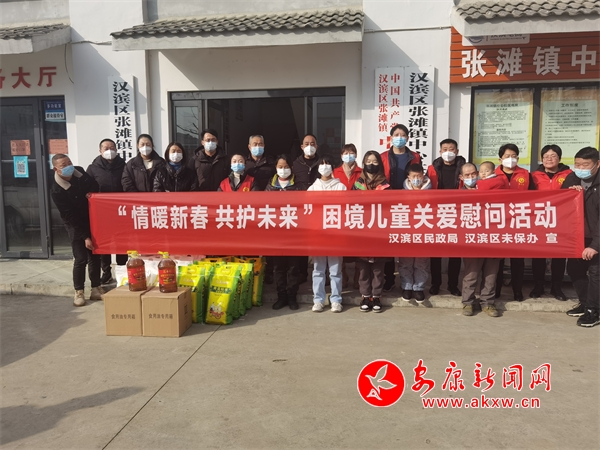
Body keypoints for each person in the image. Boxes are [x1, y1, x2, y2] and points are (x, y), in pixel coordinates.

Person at [50, 154, 102, 307]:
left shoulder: (79, 172)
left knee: (95, 255)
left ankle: (96, 288)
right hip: (74, 224)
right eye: (63, 165)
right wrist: (85, 237)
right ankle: (79, 291)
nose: (69, 167)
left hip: (91, 218)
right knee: (80, 258)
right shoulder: (56, 190)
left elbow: (94, 185)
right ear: (56, 169)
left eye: (69, 162)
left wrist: (90, 193)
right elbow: (70, 216)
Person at [380, 124, 422, 292]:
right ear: (391, 138)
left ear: (407, 138)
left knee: (407, 240)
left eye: (403, 135)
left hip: (409, 204)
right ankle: (389, 278)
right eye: (396, 134)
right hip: (388, 204)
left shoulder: (415, 156)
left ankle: (410, 281)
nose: (400, 137)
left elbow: (419, 177)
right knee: (388, 241)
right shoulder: (383, 157)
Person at [459, 163, 503, 317]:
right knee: (471, 274)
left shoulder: (494, 189)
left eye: (473, 174)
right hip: (472, 240)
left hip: (493, 238)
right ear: (461, 177)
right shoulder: (457, 195)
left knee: (491, 273)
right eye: (467, 175)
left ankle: (488, 303)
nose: (471, 177)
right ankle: (468, 303)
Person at [563, 147, 599, 327]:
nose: (580, 168)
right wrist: (569, 192)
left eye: (585, 165)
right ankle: (585, 303)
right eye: (577, 164)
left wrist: (595, 246)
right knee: (574, 270)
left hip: (596, 238)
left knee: (595, 273)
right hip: (577, 236)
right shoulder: (572, 178)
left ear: (597, 164)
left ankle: (594, 310)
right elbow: (558, 201)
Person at [530, 144, 572, 300]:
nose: (549, 159)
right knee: (538, 254)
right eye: (545, 156)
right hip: (539, 219)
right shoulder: (534, 176)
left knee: (559, 254)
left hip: (561, 220)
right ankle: (538, 286)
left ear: (559, 158)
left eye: (553, 156)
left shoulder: (570, 175)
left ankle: (556, 288)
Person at [494, 143, 535, 301]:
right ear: (500, 159)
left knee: (518, 259)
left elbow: (534, 197)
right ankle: (496, 290)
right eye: (507, 156)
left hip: (519, 221)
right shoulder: (493, 175)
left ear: (518, 158)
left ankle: (517, 291)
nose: (510, 159)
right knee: (497, 260)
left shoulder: (525, 174)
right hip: (498, 222)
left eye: (513, 156)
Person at [427, 139, 465, 297]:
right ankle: (435, 283)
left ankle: (453, 285)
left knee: (455, 252)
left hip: (458, 213)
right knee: (435, 252)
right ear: (440, 151)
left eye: (451, 149)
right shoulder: (432, 169)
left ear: (457, 151)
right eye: (445, 149)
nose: (448, 152)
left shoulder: (464, 168)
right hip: (437, 213)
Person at [308, 156, 346, 313]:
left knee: (335, 270)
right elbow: (308, 212)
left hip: (335, 233)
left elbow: (345, 210)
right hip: (318, 234)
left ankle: (336, 299)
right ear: (318, 168)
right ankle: (318, 300)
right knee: (318, 269)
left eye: (328, 164)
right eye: (322, 164)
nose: (325, 167)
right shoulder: (312, 188)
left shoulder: (341, 187)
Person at [353, 151, 390, 313]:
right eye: (368, 161)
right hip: (362, 230)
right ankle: (365, 295)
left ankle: (376, 296)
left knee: (377, 268)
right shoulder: (357, 184)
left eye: (375, 162)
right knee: (363, 268)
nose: (371, 164)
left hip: (379, 230)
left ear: (379, 164)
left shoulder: (385, 184)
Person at [86, 138, 127, 284]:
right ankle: (106, 272)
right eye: (106, 148)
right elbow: (87, 187)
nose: (110, 150)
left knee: (122, 242)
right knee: (105, 243)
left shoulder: (124, 165)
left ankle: (122, 270)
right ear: (100, 151)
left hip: (121, 210)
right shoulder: (93, 168)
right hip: (102, 212)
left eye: (112, 147)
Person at [265, 155, 302, 310]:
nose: (283, 170)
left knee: (293, 267)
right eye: (280, 167)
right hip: (276, 233)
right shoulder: (270, 186)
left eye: (286, 167)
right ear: (275, 168)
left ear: (291, 168)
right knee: (278, 267)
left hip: (294, 232)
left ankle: (292, 296)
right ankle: (281, 296)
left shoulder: (298, 185)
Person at [399, 164, 431, 303]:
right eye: (414, 176)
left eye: (419, 176)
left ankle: (419, 287)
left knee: (421, 262)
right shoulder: (401, 192)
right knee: (405, 261)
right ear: (409, 177)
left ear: (423, 176)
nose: (416, 179)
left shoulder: (432, 192)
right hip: (406, 230)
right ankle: (406, 286)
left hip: (423, 230)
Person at [333, 143, 363, 288]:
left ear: (356, 155)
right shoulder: (335, 172)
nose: (348, 155)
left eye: (351, 153)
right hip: (340, 214)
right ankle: (343, 274)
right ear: (341, 155)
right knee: (340, 245)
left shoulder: (361, 172)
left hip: (357, 213)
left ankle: (358, 275)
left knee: (357, 246)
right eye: (345, 153)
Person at [292, 134, 320, 283]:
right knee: (301, 240)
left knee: (320, 239)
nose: (310, 146)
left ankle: (321, 271)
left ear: (317, 146)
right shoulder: (295, 164)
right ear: (302, 147)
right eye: (307, 143)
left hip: (319, 207)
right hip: (301, 207)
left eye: (313, 143)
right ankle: (302, 272)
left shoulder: (322, 163)